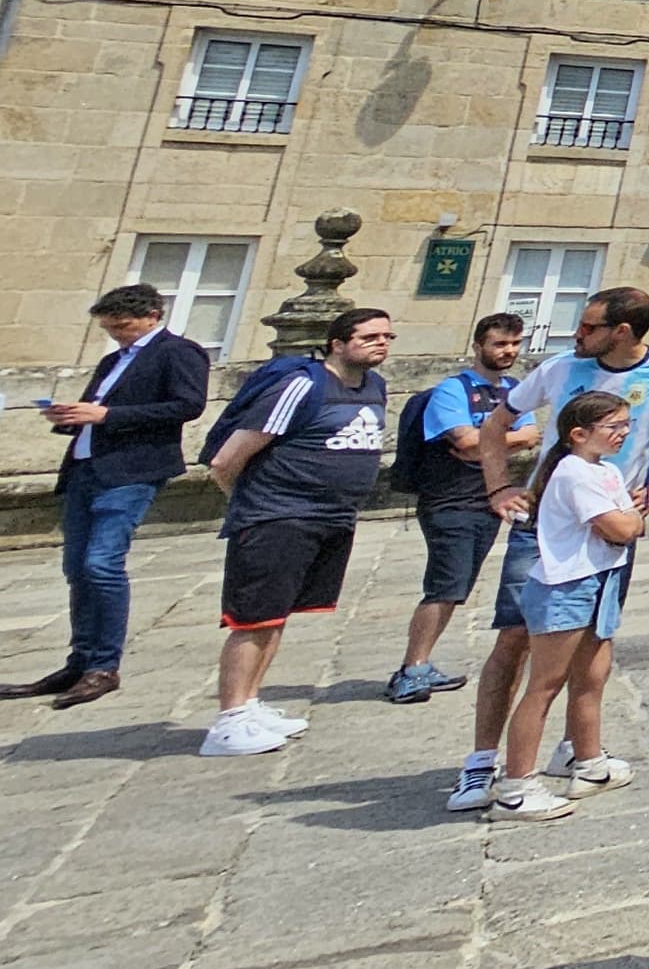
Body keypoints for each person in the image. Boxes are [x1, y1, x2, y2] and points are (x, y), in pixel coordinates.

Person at [465, 286, 649, 806]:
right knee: (516, 639)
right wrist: (499, 486)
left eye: (588, 327)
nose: (577, 334)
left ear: (622, 332)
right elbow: (497, 424)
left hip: (611, 525)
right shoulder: (560, 369)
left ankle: (578, 750)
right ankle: (483, 761)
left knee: (593, 641)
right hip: (547, 525)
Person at [199, 306, 400, 758]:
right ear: (338, 342)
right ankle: (228, 720)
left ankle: (250, 703)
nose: (381, 344)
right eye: (369, 337)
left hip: (331, 517)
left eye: (387, 337)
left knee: (277, 615)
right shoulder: (303, 385)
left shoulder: (375, 387)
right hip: (279, 516)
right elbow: (228, 458)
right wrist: (253, 503)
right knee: (251, 619)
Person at [20, 285, 209, 709]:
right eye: (109, 327)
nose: (116, 333)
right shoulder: (113, 360)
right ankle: (81, 660)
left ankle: (104, 666)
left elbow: (187, 406)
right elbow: (96, 408)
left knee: (101, 565)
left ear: (152, 316)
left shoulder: (178, 352)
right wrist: (70, 415)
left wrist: (106, 415)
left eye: (122, 325)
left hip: (131, 471)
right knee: (77, 569)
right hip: (86, 467)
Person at [484, 391, 648, 820]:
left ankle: (589, 762)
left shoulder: (605, 471)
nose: (623, 434)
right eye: (613, 427)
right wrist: (630, 523)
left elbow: (629, 519)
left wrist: (630, 522)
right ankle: (516, 786)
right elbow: (619, 525)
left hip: (601, 578)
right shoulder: (573, 472)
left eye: (626, 425)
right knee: (545, 684)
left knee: (592, 676)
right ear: (579, 434)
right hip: (566, 585)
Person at [387, 313, 534, 705]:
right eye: (500, 344)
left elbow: (529, 436)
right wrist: (508, 438)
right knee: (444, 586)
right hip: (448, 501)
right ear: (478, 346)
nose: (508, 352)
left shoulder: (513, 390)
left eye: (514, 344)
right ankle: (410, 669)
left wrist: (493, 440)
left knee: (458, 587)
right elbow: (466, 442)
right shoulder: (453, 391)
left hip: (489, 500)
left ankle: (421, 662)